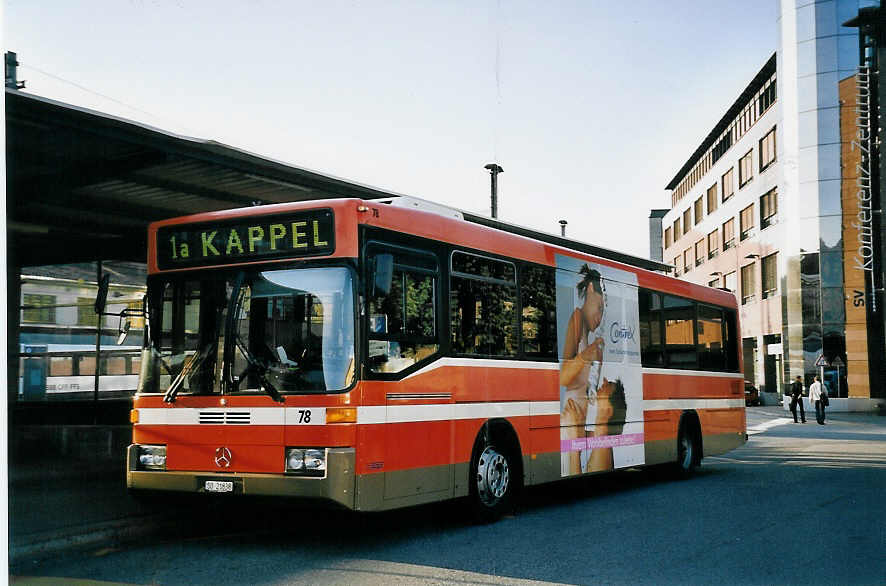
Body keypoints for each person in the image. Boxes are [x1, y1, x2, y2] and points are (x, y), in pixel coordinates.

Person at [560, 266, 606, 475]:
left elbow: (591, 393)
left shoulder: (594, 346)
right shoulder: (577, 318)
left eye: (603, 312)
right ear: (589, 290)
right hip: (571, 420)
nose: (600, 317)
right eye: (599, 308)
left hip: (583, 422)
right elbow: (563, 376)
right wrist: (587, 354)